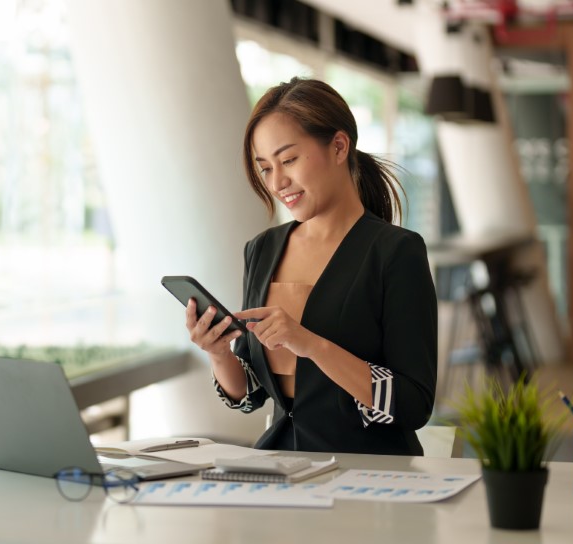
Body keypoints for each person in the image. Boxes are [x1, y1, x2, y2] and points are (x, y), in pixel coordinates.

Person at [184, 78, 436, 455]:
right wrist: (219, 352)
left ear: (338, 146)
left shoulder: (395, 252)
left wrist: (311, 344)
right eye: (265, 167)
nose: (277, 181)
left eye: (288, 160)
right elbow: (252, 394)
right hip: (283, 465)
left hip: (371, 474)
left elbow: (413, 403)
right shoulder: (262, 250)